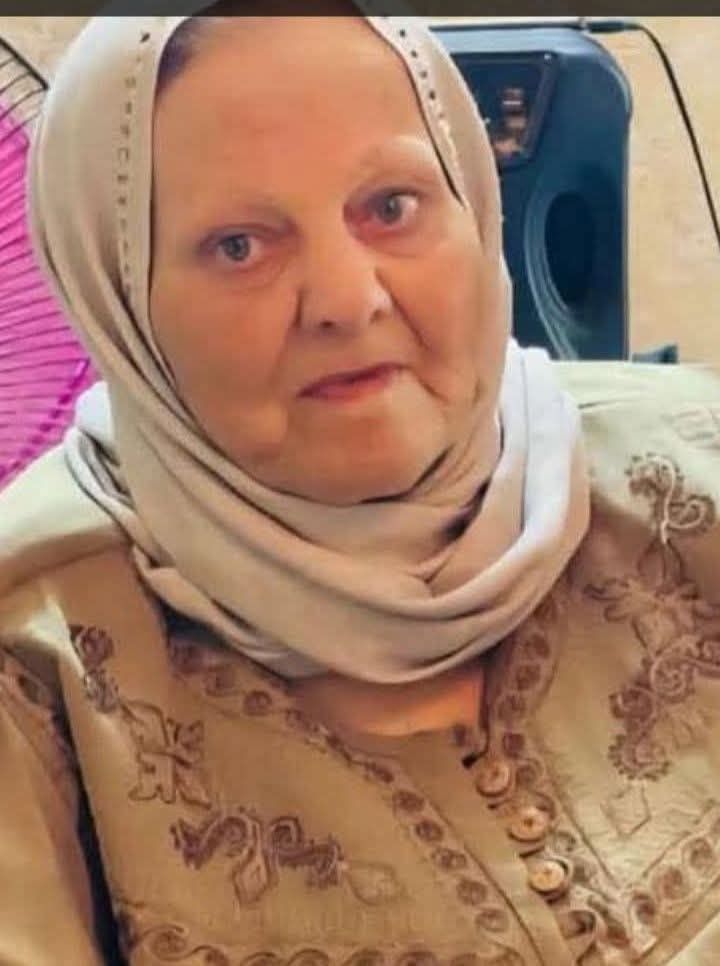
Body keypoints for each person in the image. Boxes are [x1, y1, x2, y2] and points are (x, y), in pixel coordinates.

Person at [2, 12, 720, 965]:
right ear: (119, 298)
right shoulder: (36, 668)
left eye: (391, 205)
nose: (348, 299)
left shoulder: (693, 465)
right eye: (240, 247)